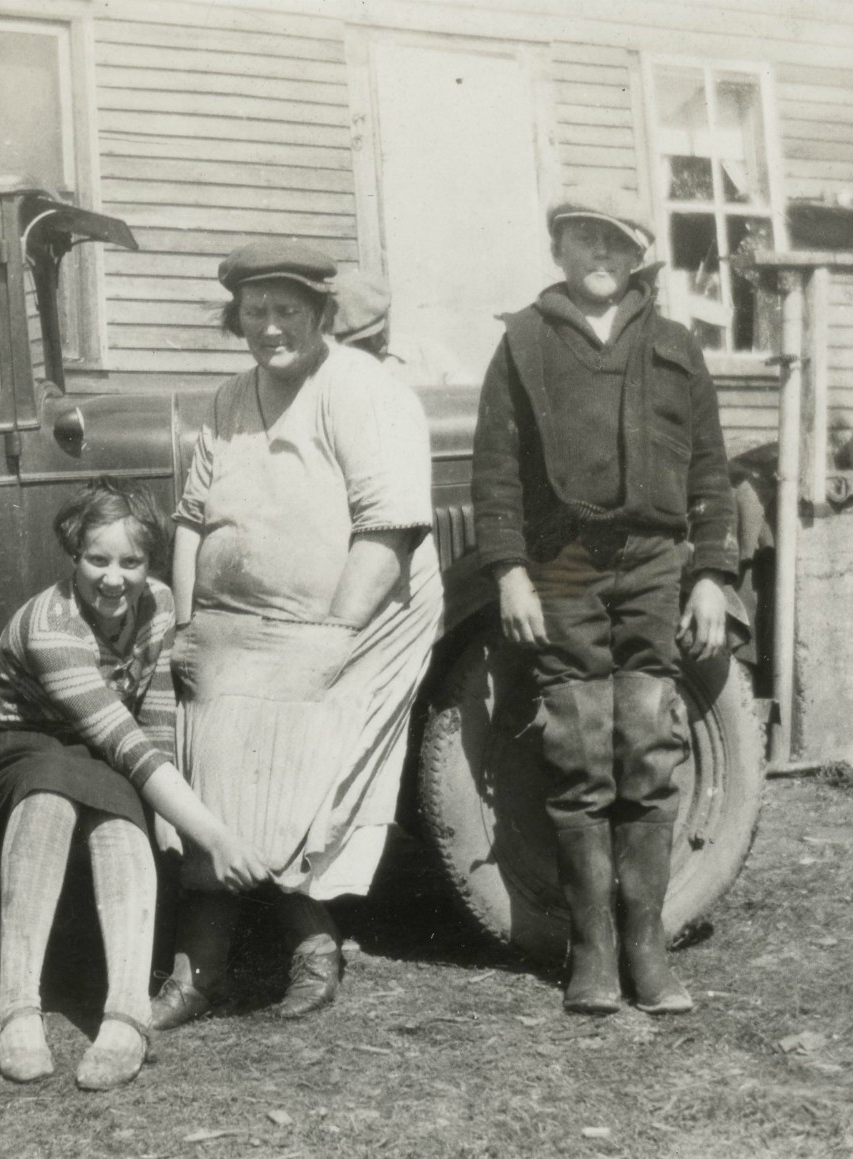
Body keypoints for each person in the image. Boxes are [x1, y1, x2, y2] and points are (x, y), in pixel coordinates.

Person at [152, 241, 442, 1030]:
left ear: (321, 315)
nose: (270, 327)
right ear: (235, 317)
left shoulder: (360, 389)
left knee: (292, 776)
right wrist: (186, 628)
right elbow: (188, 522)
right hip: (234, 629)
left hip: (353, 623)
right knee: (207, 755)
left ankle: (313, 950)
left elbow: (390, 530)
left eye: (288, 311)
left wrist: (330, 635)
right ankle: (198, 969)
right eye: (255, 312)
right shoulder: (226, 398)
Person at [469, 189, 739, 1016]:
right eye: (582, 239)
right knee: (580, 746)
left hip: (655, 565)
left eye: (614, 243)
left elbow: (709, 473)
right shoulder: (522, 342)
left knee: (648, 739)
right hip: (561, 567)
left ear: (638, 258)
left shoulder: (676, 347)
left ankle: (646, 948)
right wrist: (511, 569)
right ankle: (592, 949)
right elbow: (495, 471)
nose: (597, 254)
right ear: (559, 250)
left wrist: (710, 574)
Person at [0, 477, 268, 1091]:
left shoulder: (159, 609)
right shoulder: (49, 627)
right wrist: (216, 839)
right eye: (97, 559)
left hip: (99, 753)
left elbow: (150, 728)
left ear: (150, 562)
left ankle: (126, 1015)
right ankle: (17, 1009)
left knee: (120, 812)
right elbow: (124, 742)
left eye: (132, 560)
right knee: (50, 792)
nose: (114, 577)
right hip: (16, 756)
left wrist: (170, 829)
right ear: (74, 556)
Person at [329, 269, 474, 388]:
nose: (376, 342)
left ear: (387, 318)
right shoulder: (334, 372)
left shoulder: (427, 354)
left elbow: (468, 402)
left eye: (379, 331)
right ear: (341, 339)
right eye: (364, 340)